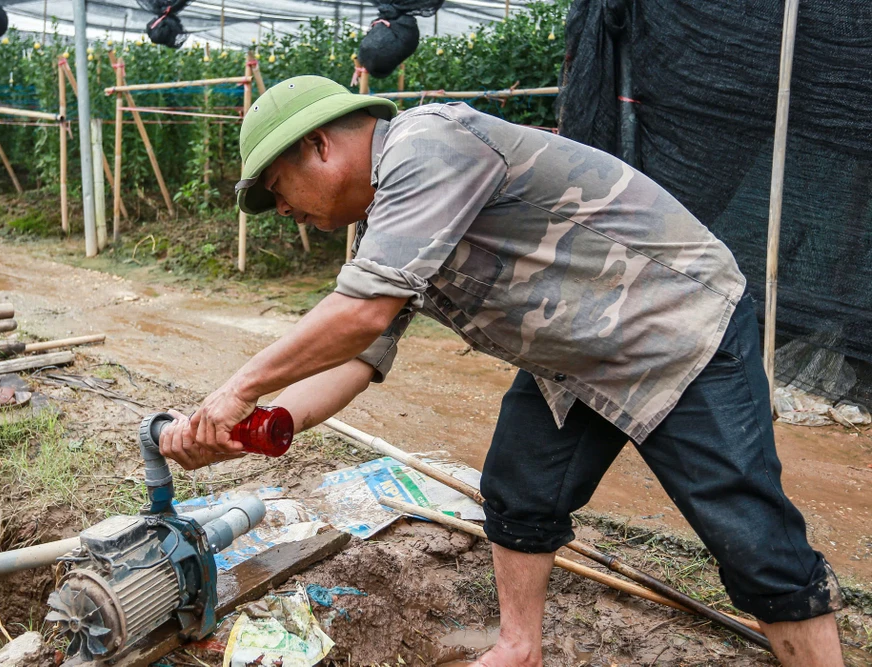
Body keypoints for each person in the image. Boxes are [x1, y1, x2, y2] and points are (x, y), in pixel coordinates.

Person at [158, 76, 845, 666]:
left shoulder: (426, 146)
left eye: (279, 190)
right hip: (576, 355)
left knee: (751, 537)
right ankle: (519, 646)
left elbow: (361, 314)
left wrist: (240, 386)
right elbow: (360, 358)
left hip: (674, 324)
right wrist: (266, 424)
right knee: (520, 492)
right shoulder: (386, 222)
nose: (283, 211)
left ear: (319, 145)